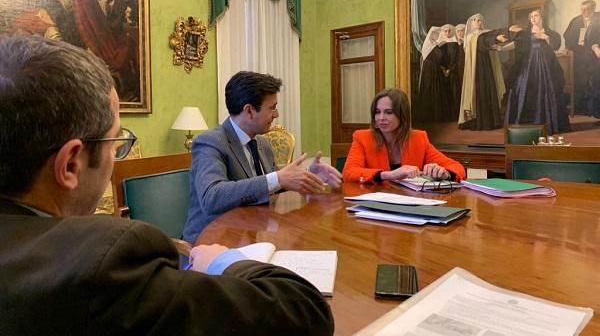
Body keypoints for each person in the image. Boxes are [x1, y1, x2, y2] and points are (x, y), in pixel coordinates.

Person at [0, 36, 334, 335]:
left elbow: (265, 188)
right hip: (212, 249)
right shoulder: (108, 258)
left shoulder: (263, 145)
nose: (276, 115)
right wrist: (222, 262)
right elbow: (305, 313)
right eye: (116, 142)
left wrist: (299, 180)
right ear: (71, 164)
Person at [183, 71, 342, 243]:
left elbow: (272, 185)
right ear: (249, 111)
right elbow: (212, 197)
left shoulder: (262, 143)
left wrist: (307, 176)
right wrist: (277, 178)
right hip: (211, 244)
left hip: (254, 236)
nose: (277, 114)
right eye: (272, 107)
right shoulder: (210, 142)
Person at [343, 89, 465, 183]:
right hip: (374, 203)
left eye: (388, 112)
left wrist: (445, 173)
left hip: (410, 203)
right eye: (377, 112)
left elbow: (458, 168)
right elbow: (348, 173)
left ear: (402, 115)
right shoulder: (362, 138)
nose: (381, 118)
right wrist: (389, 175)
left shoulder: (419, 139)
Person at [504, 8, 571, 134]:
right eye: (531, 17)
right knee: (524, 87)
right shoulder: (526, 33)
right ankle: (528, 122)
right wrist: (501, 48)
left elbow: (555, 46)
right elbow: (515, 44)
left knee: (550, 88)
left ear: (541, 18)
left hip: (546, 64)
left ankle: (549, 123)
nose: (533, 18)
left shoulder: (550, 32)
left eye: (536, 16)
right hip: (529, 64)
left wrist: (545, 37)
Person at [458, 13, 507, 130]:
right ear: (472, 22)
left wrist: (495, 41)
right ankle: (479, 122)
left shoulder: (484, 34)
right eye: (477, 20)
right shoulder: (470, 37)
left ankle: (491, 121)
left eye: (481, 20)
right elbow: (482, 43)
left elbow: (488, 42)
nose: (480, 22)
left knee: (489, 89)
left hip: (486, 66)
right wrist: (495, 39)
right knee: (478, 92)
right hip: (476, 69)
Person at [562, 0, 600, 117]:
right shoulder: (576, 20)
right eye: (582, 9)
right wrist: (569, 47)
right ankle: (584, 110)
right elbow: (567, 36)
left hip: (595, 57)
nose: (584, 12)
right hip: (580, 57)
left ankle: (596, 111)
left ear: (593, 8)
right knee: (581, 82)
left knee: (595, 82)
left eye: (587, 9)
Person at [415, 26, 448, 122]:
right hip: (429, 70)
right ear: (430, 34)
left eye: (437, 33)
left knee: (437, 90)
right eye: (434, 33)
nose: (436, 35)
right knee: (429, 89)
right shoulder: (429, 45)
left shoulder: (435, 44)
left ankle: (436, 115)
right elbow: (439, 57)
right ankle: (428, 116)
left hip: (435, 69)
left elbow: (440, 58)